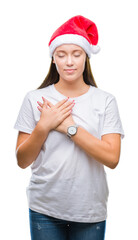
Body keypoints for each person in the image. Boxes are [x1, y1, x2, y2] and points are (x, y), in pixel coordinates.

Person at [14, 15, 125, 240]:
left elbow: (112, 158)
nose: (69, 62)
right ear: (53, 59)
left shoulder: (105, 100)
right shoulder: (35, 98)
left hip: (89, 210)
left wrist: (70, 128)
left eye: (77, 54)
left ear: (86, 57)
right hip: (44, 208)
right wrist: (43, 127)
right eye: (61, 55)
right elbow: (22, 160)